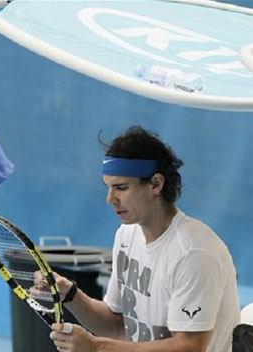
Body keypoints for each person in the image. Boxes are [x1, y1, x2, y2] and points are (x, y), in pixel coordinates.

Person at [47, 126, 240, 351]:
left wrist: (96, 347)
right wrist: (70, 294)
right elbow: (117, 327)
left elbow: (189, 347)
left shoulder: (195, 253)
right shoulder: (126, 235)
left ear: (156, 184)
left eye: (121, 187)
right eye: (108, 187)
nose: (110, 199)